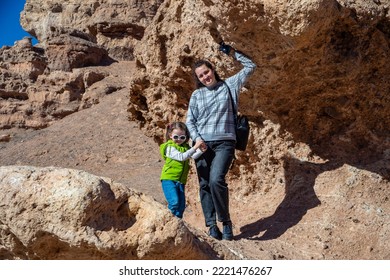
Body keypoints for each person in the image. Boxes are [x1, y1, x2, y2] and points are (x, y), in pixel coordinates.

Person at [186, 42, 256, 240]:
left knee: (217, 179)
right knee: (205, 184)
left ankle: (225, 222)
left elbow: (251, 67)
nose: (205, 77)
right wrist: (197, 139)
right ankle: (211, 225)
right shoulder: (197, 95)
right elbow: (190, 120)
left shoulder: (229, 85)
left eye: (206, 72)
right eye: (201, 76)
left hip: (225, 142)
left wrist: (232, 52)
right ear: (198, 79)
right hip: (202, 144)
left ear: (213, 70)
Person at [160, 121, 206, 218]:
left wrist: (201, 150)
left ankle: (177, 222)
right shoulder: (170, 147)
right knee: (174, 202)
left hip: (180, 181)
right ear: (170, 135)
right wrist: (195, 147)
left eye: (182, 137)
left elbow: (192, 156)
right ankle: (167, 220)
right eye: (176, 137)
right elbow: (182, 157)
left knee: (181, 206)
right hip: (169, 179)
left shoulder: (185, 147)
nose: (179, 140)